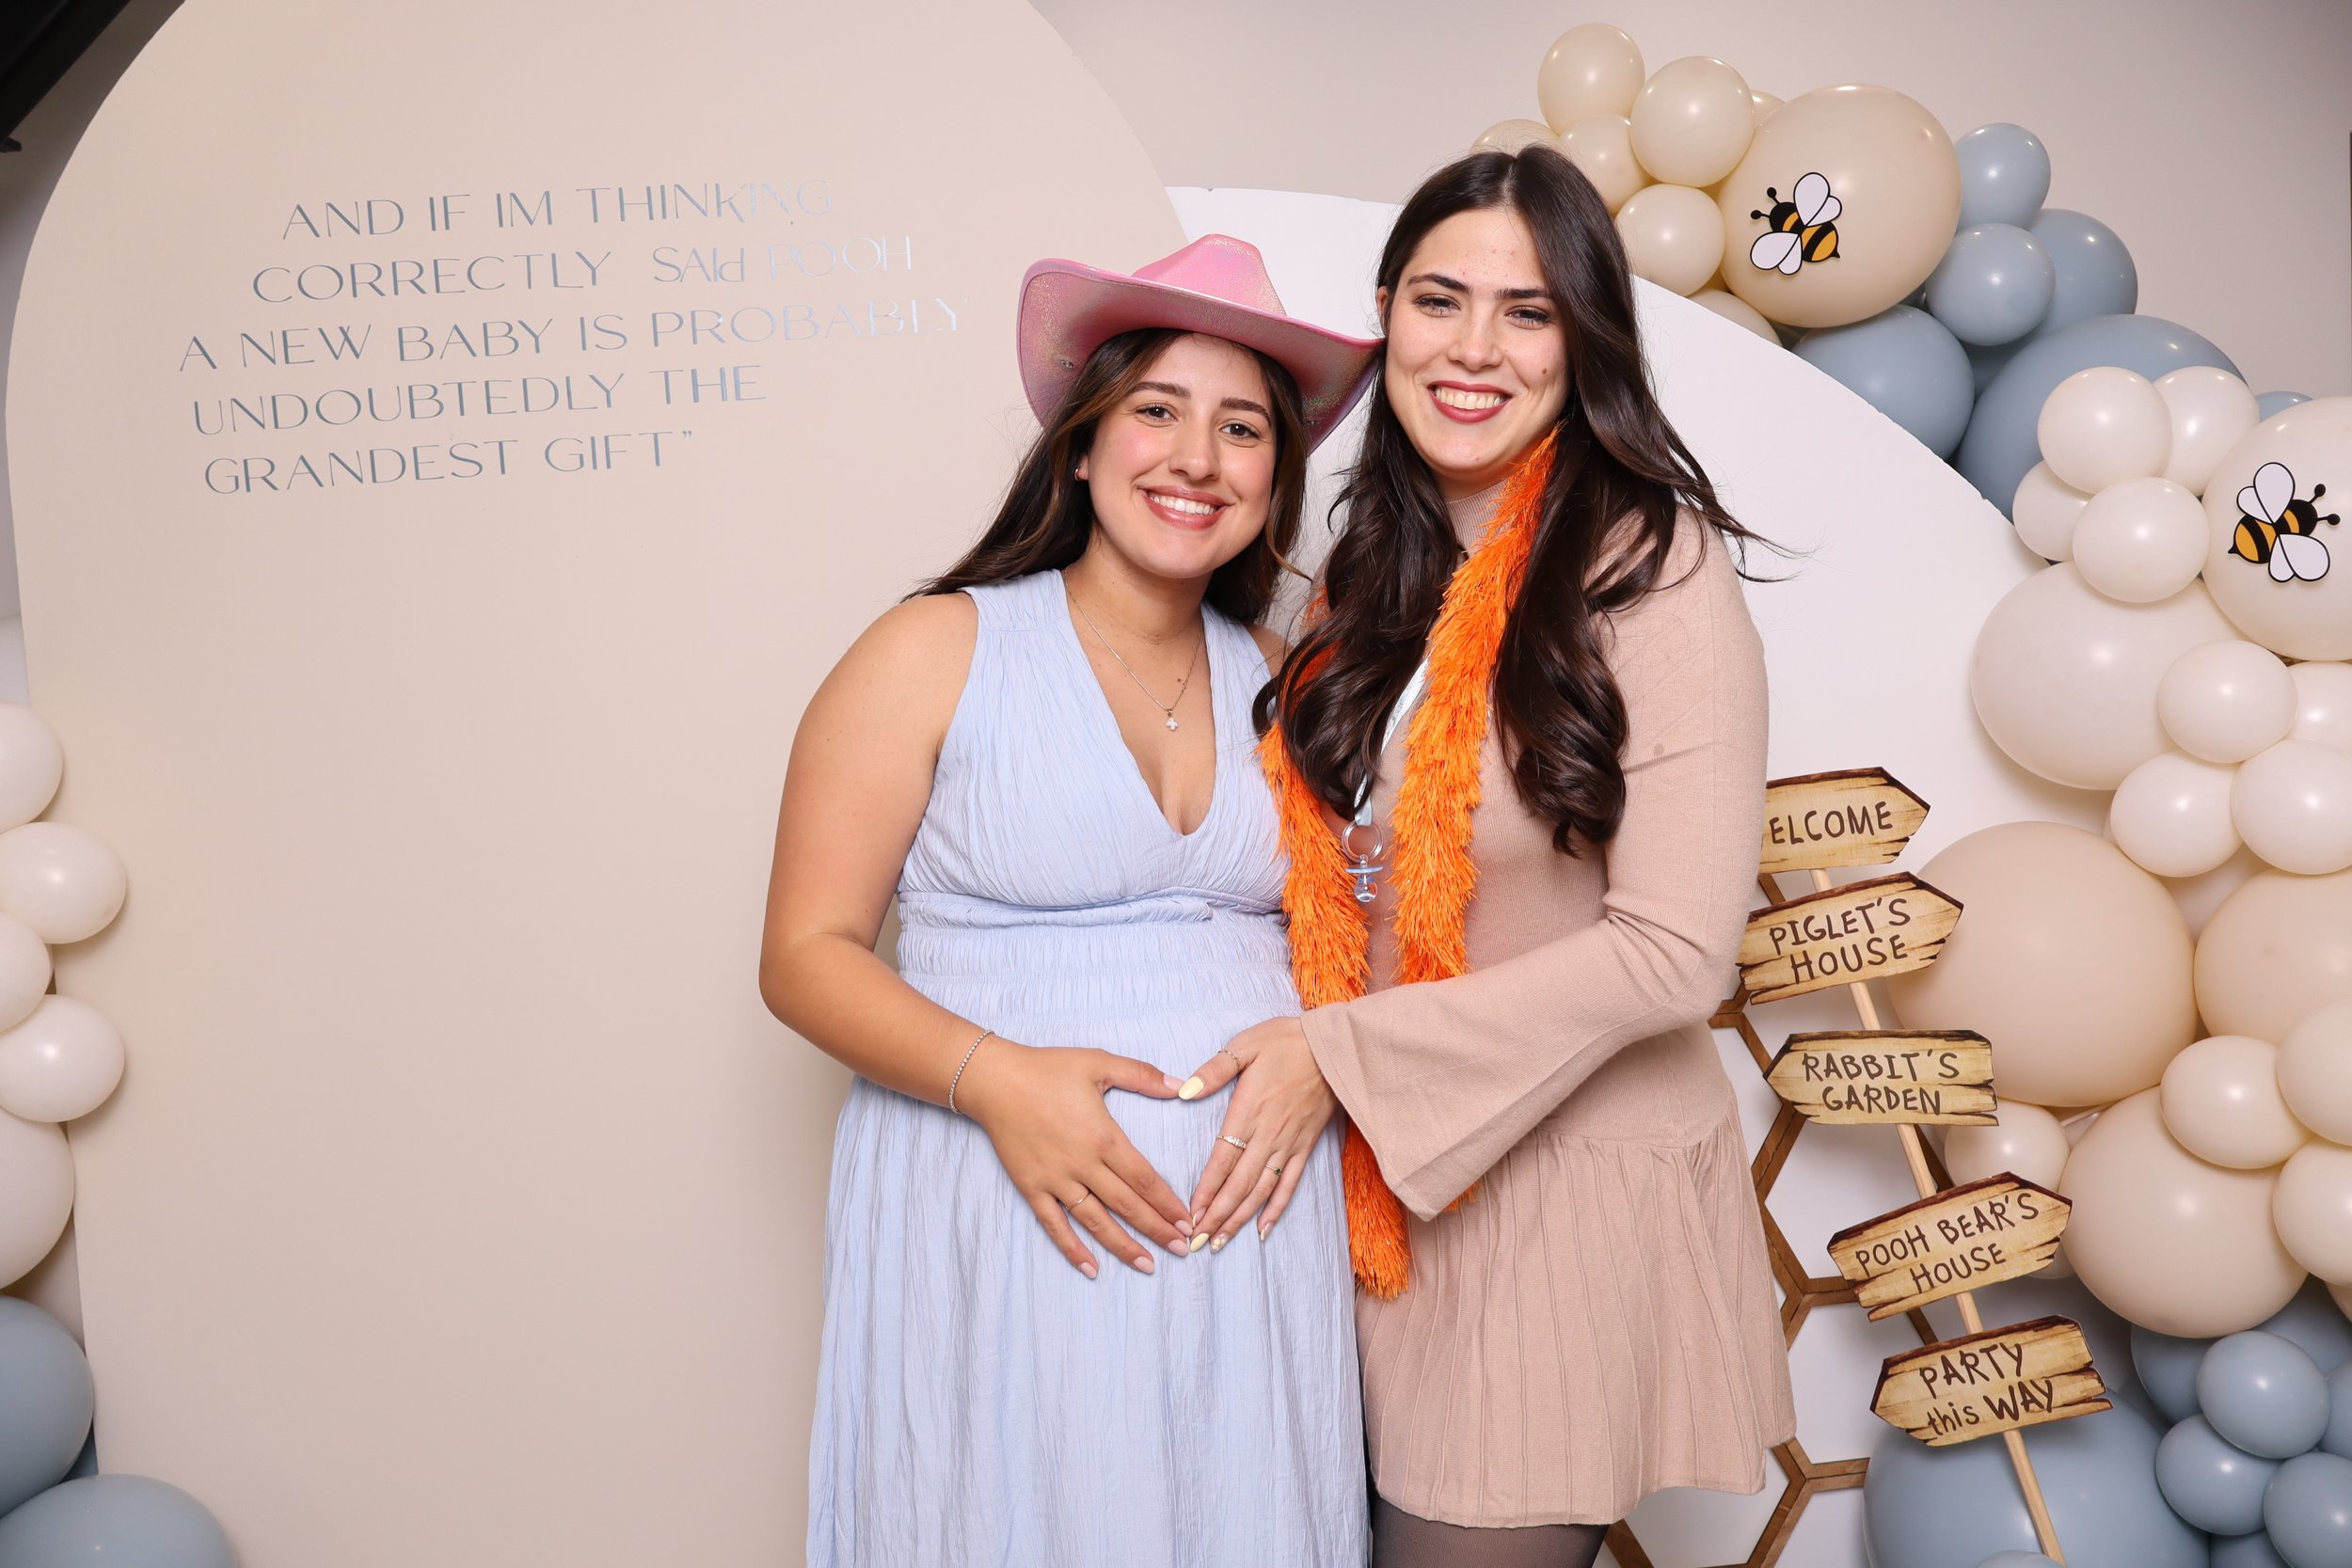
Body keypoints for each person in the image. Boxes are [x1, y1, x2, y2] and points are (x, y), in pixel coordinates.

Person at [1177, 148, 1799, 1566]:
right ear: (1385, 315)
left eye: (1526, 312)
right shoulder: (1364, 577)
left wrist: (1338, 1051)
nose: (1473, 350)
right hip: (1376, 1199)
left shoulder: (1654, 567)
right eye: (1440, 300)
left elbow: (1677, 951)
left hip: (1556, 1205)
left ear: (1585, 340)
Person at [760, 234, 1381, 1568]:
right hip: (1006, 1203)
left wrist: (1327, 1058)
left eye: (1242, 430)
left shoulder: (1284, 673)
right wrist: (996, 1080)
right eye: (1157, 411)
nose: (1196, 459)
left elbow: (1359, 935)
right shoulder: (937, 646)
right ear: (1083, 445)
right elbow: (805, 955)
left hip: (1253, 1237)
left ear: (1275, 480)